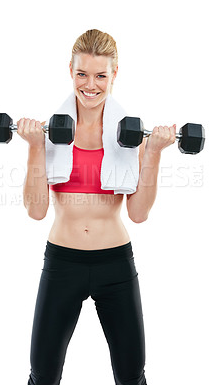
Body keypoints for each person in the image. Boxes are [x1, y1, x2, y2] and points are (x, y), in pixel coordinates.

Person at [17, 29, 176, 385]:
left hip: (115, 263)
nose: (91, 85)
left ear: (114, 74)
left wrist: (153, 154)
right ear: (70, 72)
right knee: (42, 376)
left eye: (101, 75)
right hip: (62, 263)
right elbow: (36, 210)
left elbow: (137, 214)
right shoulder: (46, 133)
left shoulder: (132, 135)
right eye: (82, 74)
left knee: (132, 377)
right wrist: (33, 148)